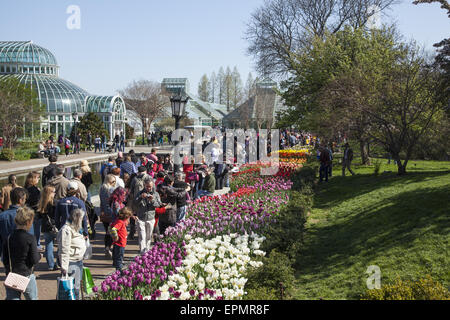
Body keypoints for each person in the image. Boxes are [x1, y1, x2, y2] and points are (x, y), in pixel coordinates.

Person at [2, 206, 41, 300]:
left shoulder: (9, 238)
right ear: (28, 222)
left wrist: (8, 270)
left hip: (12, 275)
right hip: (27, 275)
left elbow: (5, 259)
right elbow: (34, 259)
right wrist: (40, 255)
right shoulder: (30, 238)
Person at [57, 208, 87, 300]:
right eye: (81, 219)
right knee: (71, 289)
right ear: (77, 218)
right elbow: (64, 249)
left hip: (78, 261)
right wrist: (64, 267)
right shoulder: (66, 230)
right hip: (71, 262)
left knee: (76, 287)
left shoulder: (76, 228)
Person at [134, 176, 166, 254]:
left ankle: (147, 251)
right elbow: (135, 203)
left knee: (148, 237)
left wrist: (152, 200)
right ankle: (142, 252)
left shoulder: (156, 194)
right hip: (141, 218)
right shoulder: (140, 193)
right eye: (147, 186)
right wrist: (141, 197)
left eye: (150, 187)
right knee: (142, 236)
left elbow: (158, 205)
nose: (149, 188)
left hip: (151, 218)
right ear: (144, 185)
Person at [0, 188, 30, 259]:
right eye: (25, 199)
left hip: (7, 251)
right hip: (23, 252)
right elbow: (30, 236)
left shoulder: (2, 216)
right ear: (20, 200)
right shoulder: (26, 215)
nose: (25, 201)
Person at [37, 185, 59, 271]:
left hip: (45, 227)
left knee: (49, 246)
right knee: (60, 246)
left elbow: (38, 217)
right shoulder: (55, 203)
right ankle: (59, 263)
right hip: (55, 226)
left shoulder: (41, 203)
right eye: (53, 192)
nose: (55, 193)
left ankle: (50, 265)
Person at [110, 207, 133, 271]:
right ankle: (119, 270)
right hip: (120, 243)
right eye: (128, 218)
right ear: (126, 217)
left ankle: (116, 264)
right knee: (119, 257)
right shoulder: (120, 222)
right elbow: (113, 229)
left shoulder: (118, 221)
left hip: (119, 243)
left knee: (116, 256)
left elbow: (111, 226)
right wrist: (115, 237)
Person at [99, 174, 117, 258]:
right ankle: (109, 247)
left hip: (104, 213)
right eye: (113, 181)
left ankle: (106, 246)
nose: (114, 183)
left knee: (107, 231)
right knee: (112, 231)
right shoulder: (111, 190)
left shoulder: (102, 188)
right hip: (111, 213)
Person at [24, 171, 42, 252]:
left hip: (27, 211)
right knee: (36, 230)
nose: (39, 179)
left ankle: (32, 244)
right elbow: (36, 201)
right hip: (35, 212)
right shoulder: (34, 189)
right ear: (33, 179)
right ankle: (36, 245)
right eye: (38, 177)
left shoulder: (25, 188)